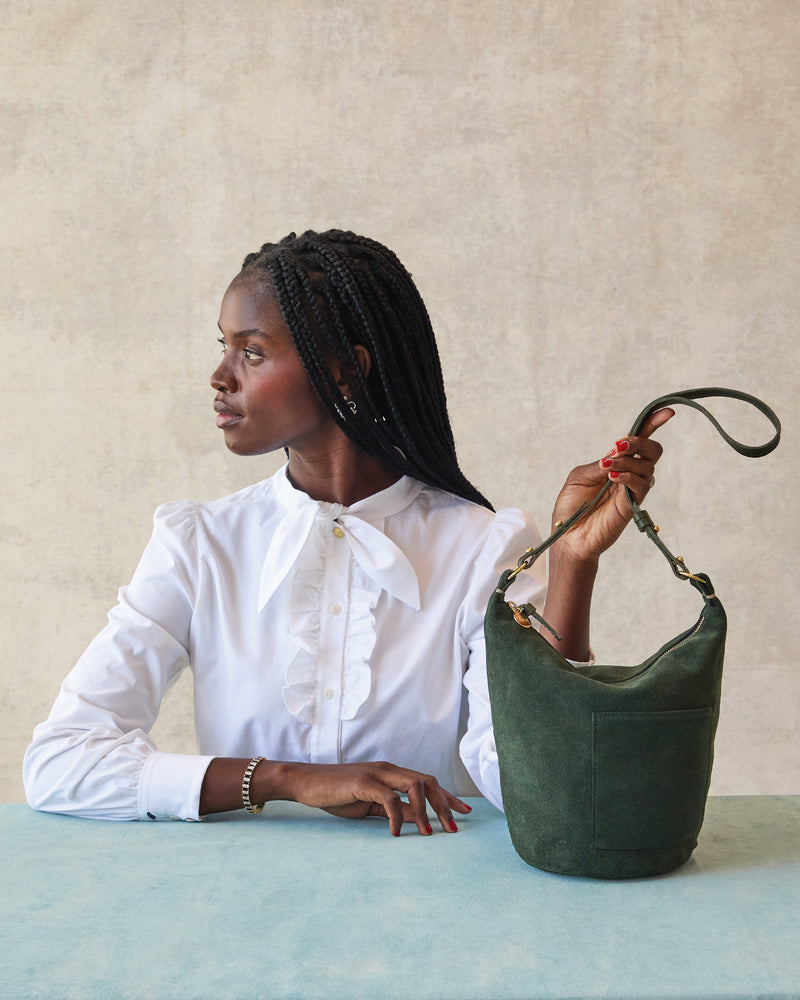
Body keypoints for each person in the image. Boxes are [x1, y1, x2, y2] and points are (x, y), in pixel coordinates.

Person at [23, 230, 672, 837]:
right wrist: (284, 779)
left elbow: (547, 787)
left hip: (432, 921)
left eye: (251, 352)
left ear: (342, 371)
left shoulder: (480, 548)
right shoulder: (199, 546)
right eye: (222, 348)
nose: (220, 377)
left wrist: (572, 563)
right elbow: (59, 761)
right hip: (240, 916)